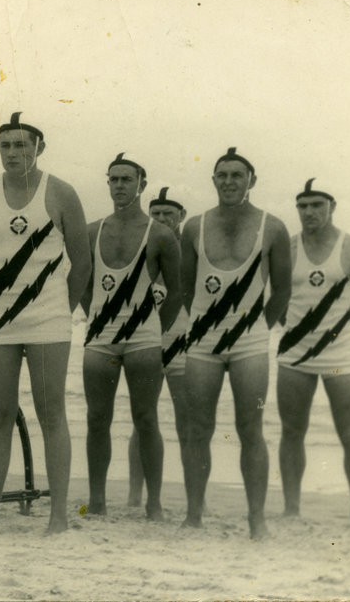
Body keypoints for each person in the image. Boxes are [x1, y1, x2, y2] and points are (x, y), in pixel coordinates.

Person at [0, 112, 91, 534]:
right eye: (5, 145)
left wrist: (60, 308)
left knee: (50, 412)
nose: (13, 153)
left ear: (39, 147)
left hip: (48, 320)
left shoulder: (61, 193)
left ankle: (57, 517)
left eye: (22, 145)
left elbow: (82, 262)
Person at [179, 147, 291, 539]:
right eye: (222, 175)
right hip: (203, 340)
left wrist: (256, 330)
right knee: (197, 428)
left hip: (250, 343)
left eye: (237, 175)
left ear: (251, 181)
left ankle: (256, 518)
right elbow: (184, 287)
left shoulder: (272, 227)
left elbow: (282, 292)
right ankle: (194, 514)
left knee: (250, 428)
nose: (229, 181)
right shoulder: (194, 226)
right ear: (213, 181)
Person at [82, 155, 181, 521]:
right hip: (101, 336)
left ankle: (153, 502)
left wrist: (154, 327)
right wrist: (97, 318)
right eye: (113, 179)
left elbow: (176, 290)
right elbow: (83, 285)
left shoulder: (160, 234)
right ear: (107, 184)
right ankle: (97, 499)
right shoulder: (92, 230)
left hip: (143, 338)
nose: (120, 185)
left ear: (142, 183)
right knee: (97, 419)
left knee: (146, 418)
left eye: (127, 179)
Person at [277, 178, 350, 524]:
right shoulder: (287, 249)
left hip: (341, 355)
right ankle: (291, 510)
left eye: (317, 205)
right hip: (295, 355)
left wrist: (348, 340)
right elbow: (273, 299)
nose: (309, 212)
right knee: (292, 431)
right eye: (302, 206)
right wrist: (287, 331)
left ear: (331, 206)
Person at [127, 188, 194, 510]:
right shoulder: (141, 251)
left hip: (184, 345)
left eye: (169, 213)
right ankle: (135, 493)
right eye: (156, 213)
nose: (163, 219)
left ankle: (195, 496)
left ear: (181, 216)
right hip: (146, 344)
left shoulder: (193, 252)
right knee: (143, 421)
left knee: (188, 423)